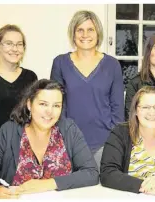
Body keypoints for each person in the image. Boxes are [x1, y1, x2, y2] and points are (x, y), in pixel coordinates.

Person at [0, 79, 99, 199]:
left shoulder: (69, 129)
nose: (49, 112)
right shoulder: (9, 131)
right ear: (29, 104)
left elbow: (91, 173)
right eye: (43, 104)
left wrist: (47, 184)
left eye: (56, 105)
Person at [50, 10, 124, 169]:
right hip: (69, 144)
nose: (85, 34)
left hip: (104, 144)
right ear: (73, 33)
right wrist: (63, 137)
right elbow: (56, 105)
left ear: (98, 33)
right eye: (80, 30)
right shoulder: (60, 63)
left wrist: (114, 139)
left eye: (90, 29)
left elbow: (118, 109)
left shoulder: (112, 65)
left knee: (103, 192)